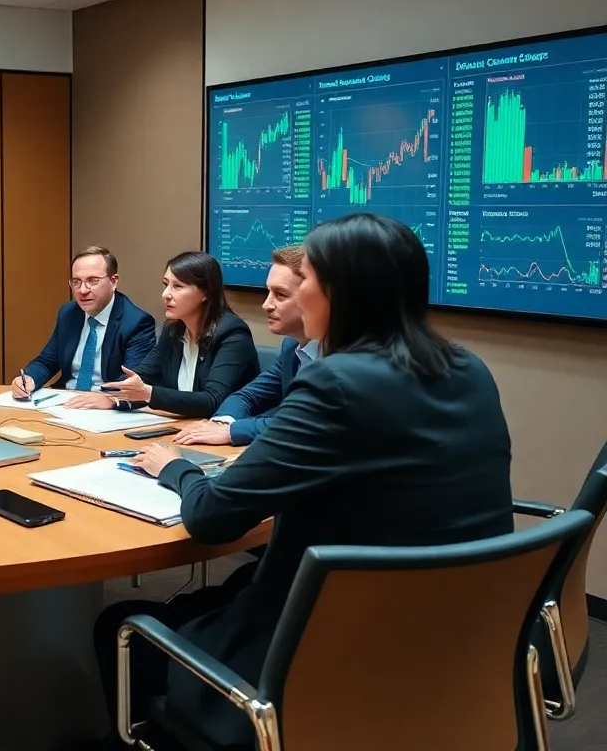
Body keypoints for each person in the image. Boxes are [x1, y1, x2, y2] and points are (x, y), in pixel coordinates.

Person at [92, 213, 514, 749]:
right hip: (454, 638)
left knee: (124, 625)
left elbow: (212, 517)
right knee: (233, 587)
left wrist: (175, 467)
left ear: (341, 292)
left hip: (327, 649)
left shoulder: (335, 381)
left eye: (306, 279)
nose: (292, 294)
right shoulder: (467, 367)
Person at [174, 244, 319, 446]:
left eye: (281, 295)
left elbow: (308, 425)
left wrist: (232, 431)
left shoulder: (345, 357)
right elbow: (248, 396)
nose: (266, 305)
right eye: (269, 292)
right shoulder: (291, 346)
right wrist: (221, 423)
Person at [102, 251, 259, 418]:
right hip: (182, 424)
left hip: (224, 432)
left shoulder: (232, 334)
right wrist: (113, 395)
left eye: (178, 286)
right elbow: (142, 376)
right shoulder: (172, 331)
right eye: (166, 284)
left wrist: (148, 393)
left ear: (206, 293)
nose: (166, 295)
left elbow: (212, 400)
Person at [11, 245, 156, 409]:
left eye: (93, 281)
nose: (83, 290)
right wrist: (29, 379)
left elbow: (135, 381)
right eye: (76, 282)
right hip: (65, 402)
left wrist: (110, 399)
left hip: (106, 409)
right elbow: (47, 361)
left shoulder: (137, 322)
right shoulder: (69, 313)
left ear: (113, 281)